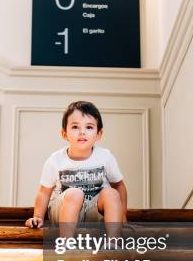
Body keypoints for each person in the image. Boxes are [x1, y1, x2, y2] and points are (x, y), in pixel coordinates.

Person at [25, 101, 128, 238]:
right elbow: (44, 192)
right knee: (74, 193)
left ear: (98, 134)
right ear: (64, 134)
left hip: (94, 212)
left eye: (89, 127)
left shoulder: (105, 157)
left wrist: (123, 215)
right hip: (63, 212)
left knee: (111, 193)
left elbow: (119, 185)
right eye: (75, 127)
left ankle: (114, 241)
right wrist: (37, 216)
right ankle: (66, 243)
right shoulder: (55, 160)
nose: (82, 132)